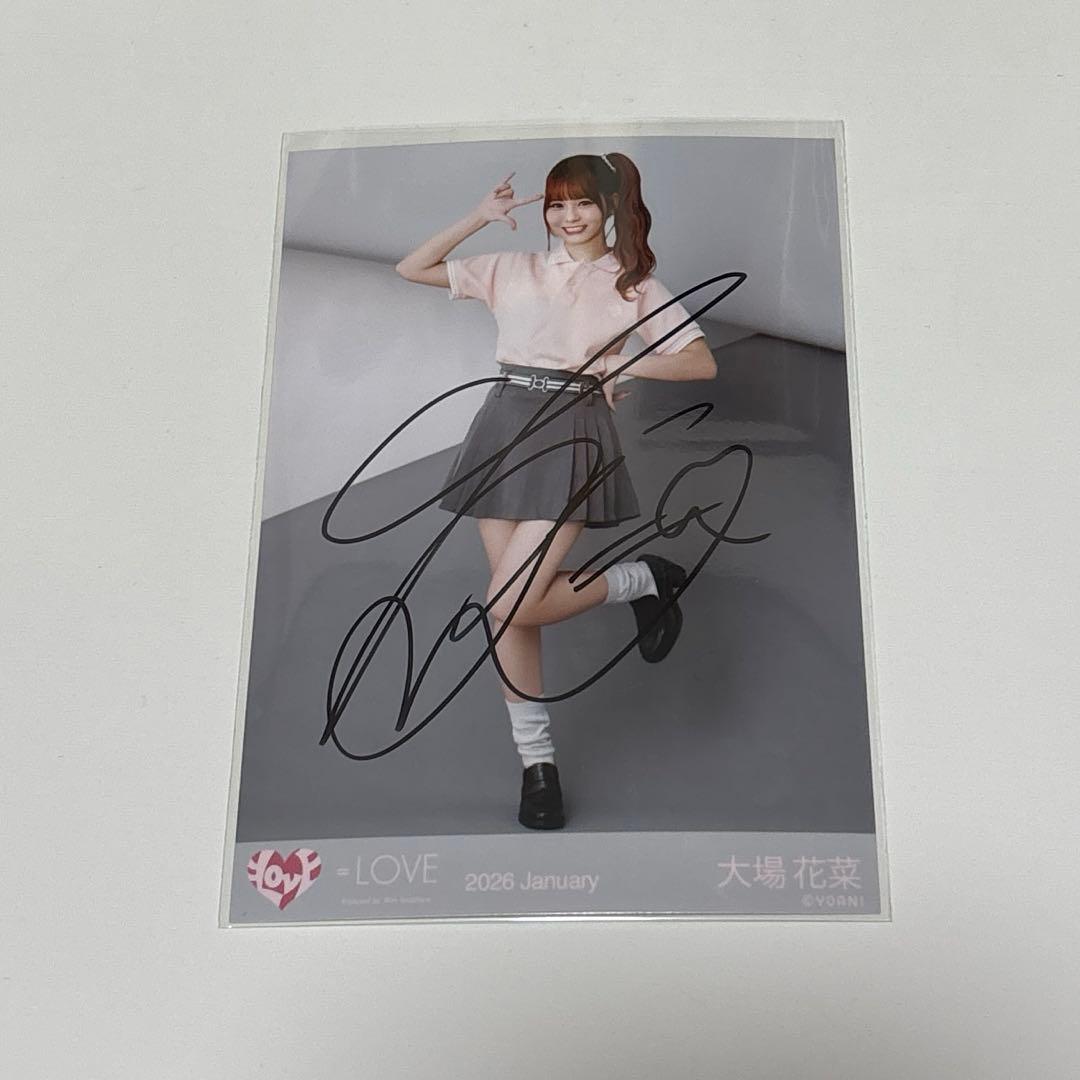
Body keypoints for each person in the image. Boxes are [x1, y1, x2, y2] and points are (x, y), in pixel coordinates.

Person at [395, 152, 717, 830]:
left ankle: (640, 581)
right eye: (557, 204)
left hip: (574, 431)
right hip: (502, 426)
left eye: (583, 203)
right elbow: (412, 268)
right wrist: (479, 217)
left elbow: (699, 361)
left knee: (506, 603)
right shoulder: (513, 268)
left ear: (610, 206)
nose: (569, 217)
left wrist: (625, 360)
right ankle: (538, 765)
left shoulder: (633, 285)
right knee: (513, 611)